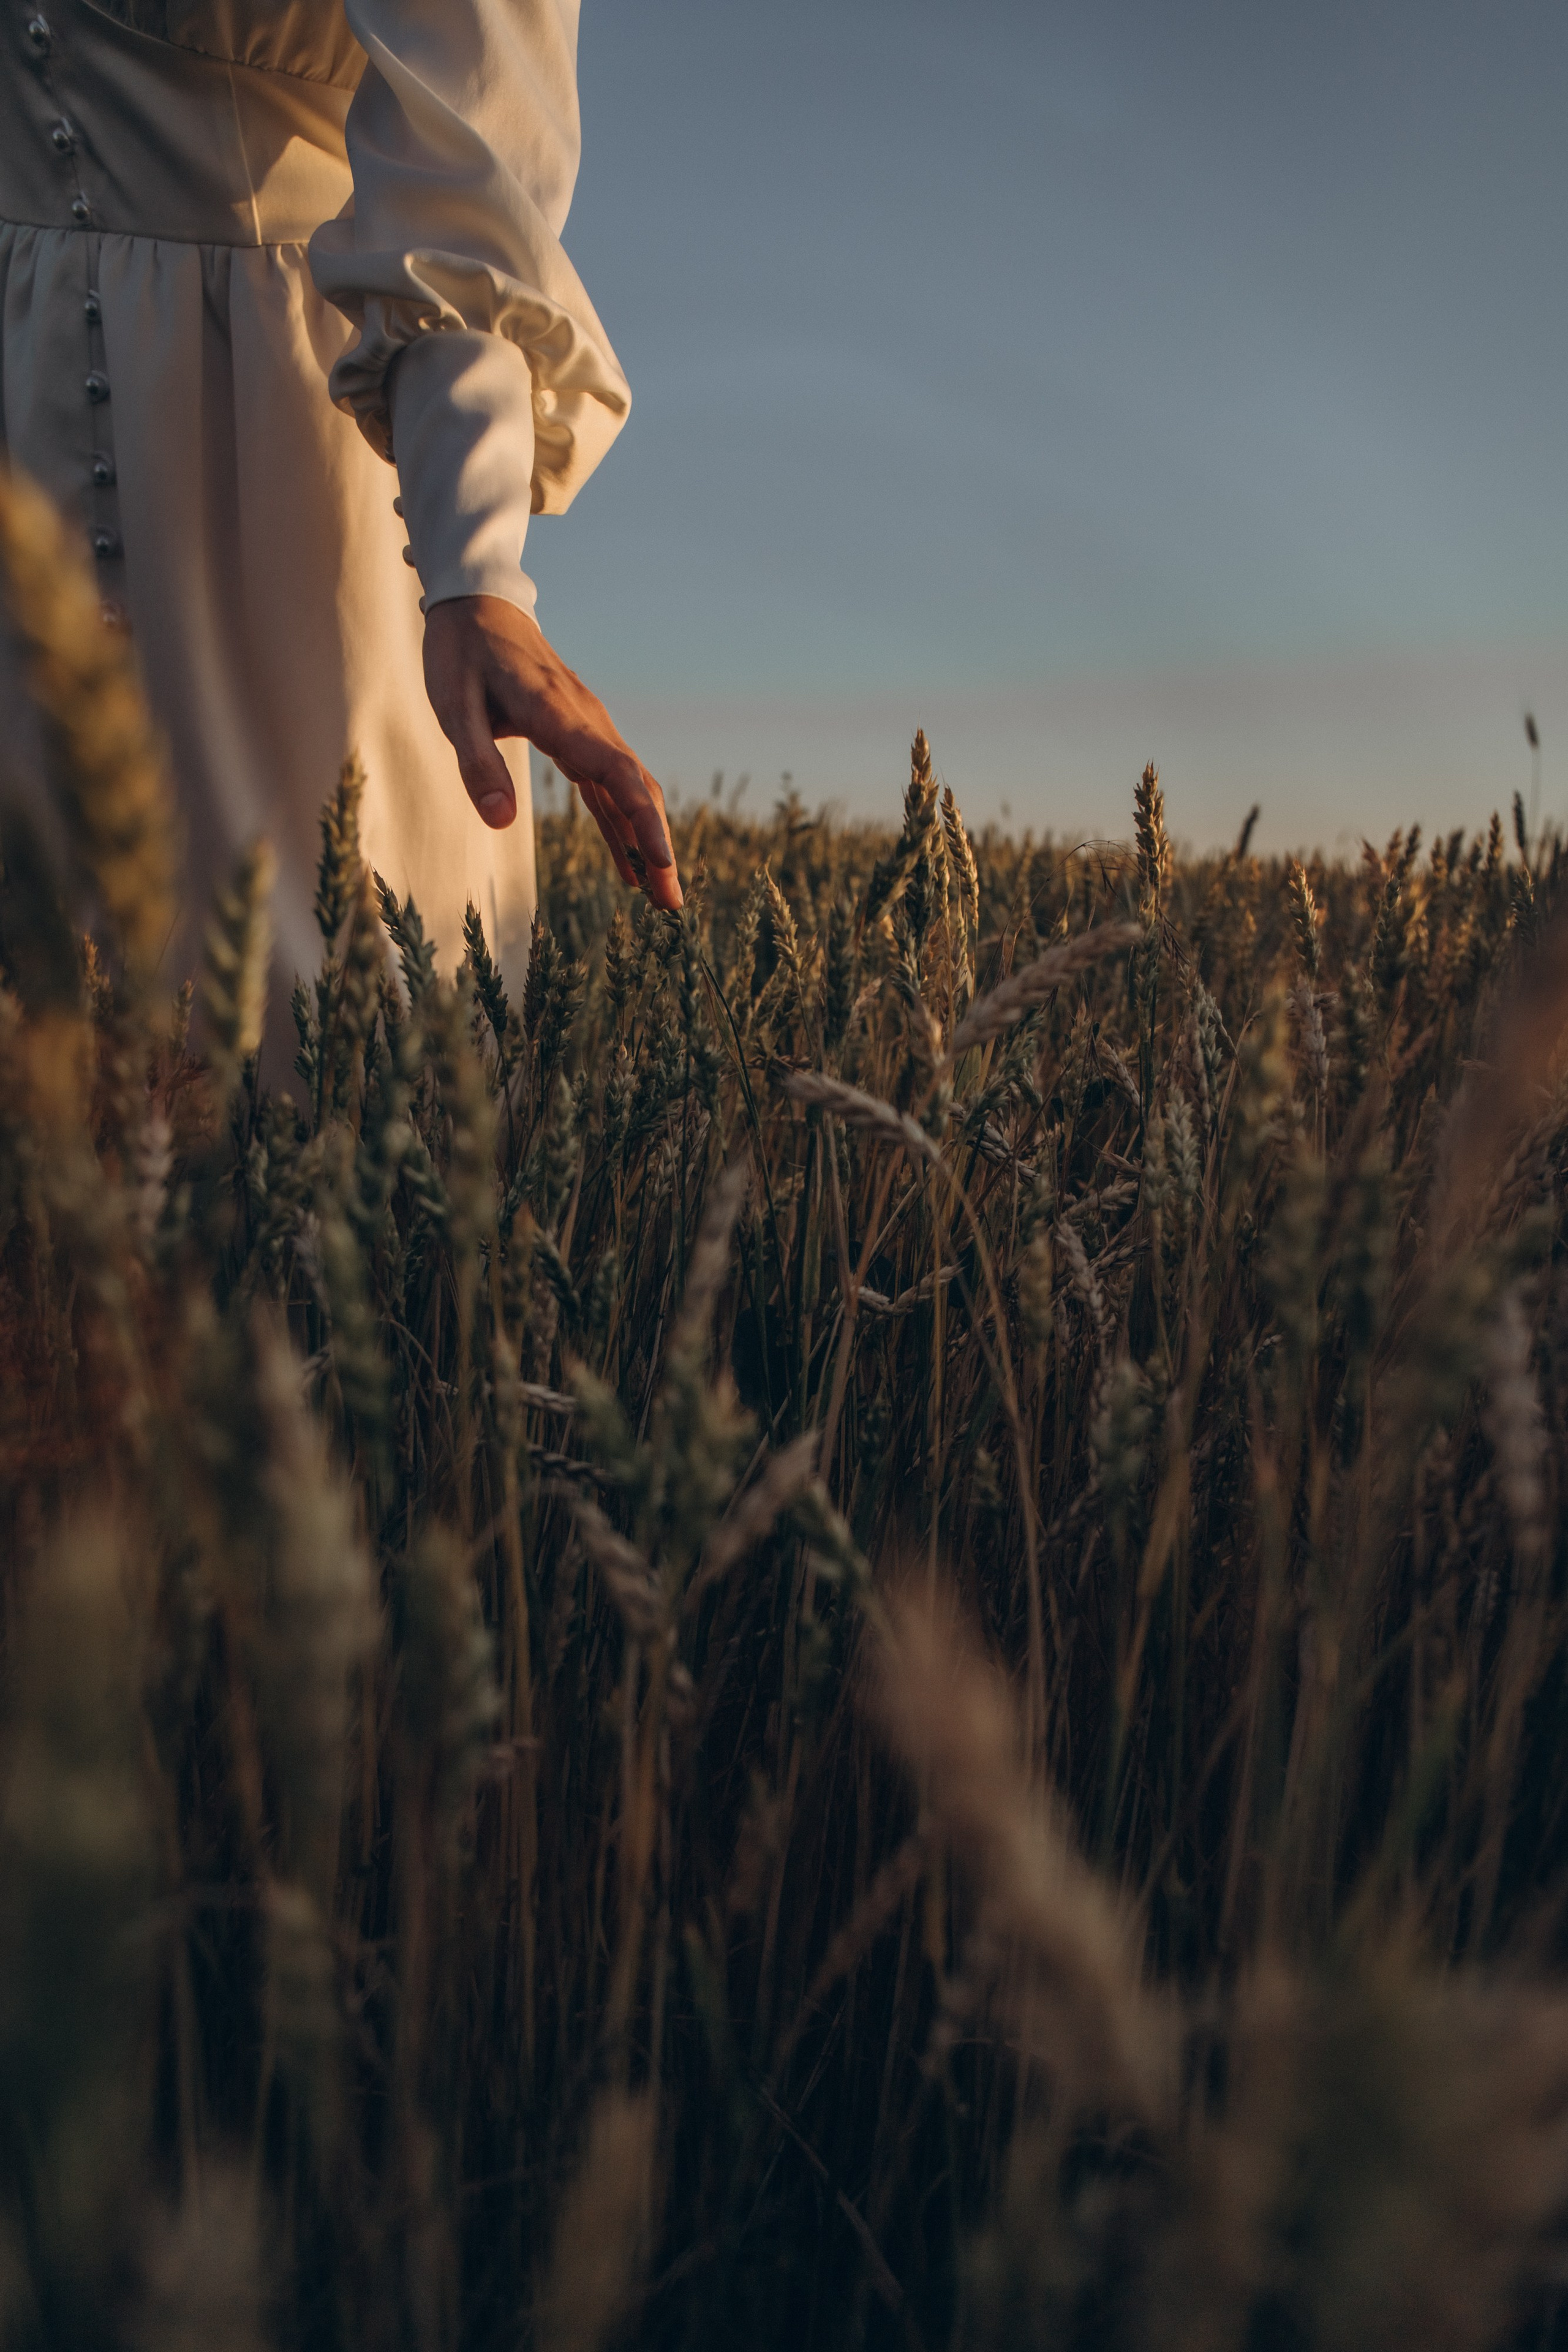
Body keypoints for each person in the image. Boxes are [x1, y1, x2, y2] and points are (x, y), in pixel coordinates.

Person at [0, 0, 680, 1019]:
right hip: (20, 428)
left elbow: (471, 142)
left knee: (319, 1044)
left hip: (278, 443)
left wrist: (473, 563)